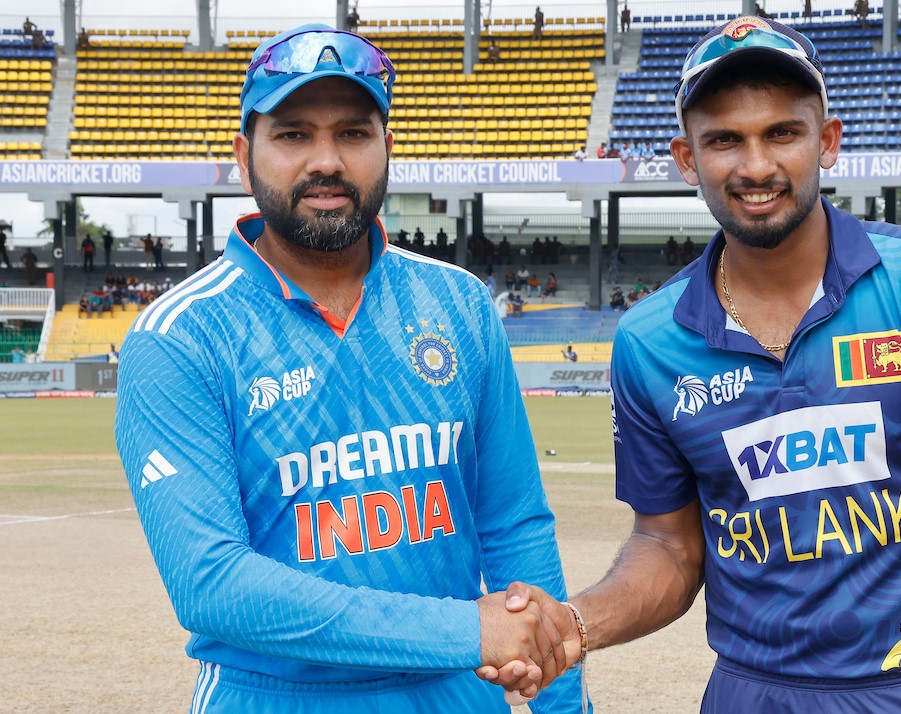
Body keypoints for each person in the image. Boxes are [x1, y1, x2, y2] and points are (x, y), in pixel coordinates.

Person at [488, 16, 901, 711]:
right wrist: (575, 625)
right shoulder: (648, 341)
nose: (756, 166)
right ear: (686, 158)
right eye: (724, 140)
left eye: (783, 133)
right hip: (754, 692)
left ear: (828, 141)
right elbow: (668, 546)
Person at [113, 25, 584, 713]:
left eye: (354, 134)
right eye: (293, 134)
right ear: (244, 157)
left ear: (388, 146)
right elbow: (211, 585)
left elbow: (514, 524)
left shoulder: (458, 303)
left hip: (454, 696)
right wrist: (462, 630)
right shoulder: (181, 336)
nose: (326, 161)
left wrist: (564, 707)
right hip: (273, 698)